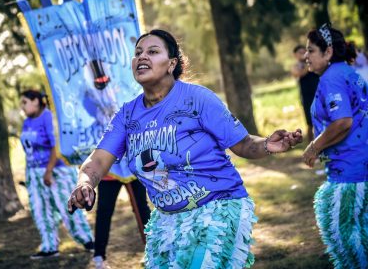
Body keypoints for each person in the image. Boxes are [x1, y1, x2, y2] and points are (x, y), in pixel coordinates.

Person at [67, 29, 303, 268]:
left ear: (172, 64)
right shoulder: (127, 115)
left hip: (217, 208)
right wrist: (85, 183)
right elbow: (97, 161)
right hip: (166, 222)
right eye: (138, 53)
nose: (142, 57)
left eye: (152, 51)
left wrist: (266, 144)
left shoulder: (197, 99)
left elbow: (243, 145)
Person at [301, 23, 368, 269]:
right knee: (361, 232)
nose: (306, 56)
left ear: (328, 52)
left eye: (311, 51)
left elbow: (342, 122)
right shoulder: (348, 72)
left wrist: (313, 147)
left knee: (343, 236)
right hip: (361, 168)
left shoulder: (332, 78)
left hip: (349, 172)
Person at [19, 89, 94, 259]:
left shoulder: (49, 117)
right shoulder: (27, 122)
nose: (22, 107)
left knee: (67, 206)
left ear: (36, 101)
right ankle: (49, 246)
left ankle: (88, 240)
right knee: (40, 210)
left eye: (24, 102)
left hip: (56, 171)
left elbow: (57, 146)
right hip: (34, 172)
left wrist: (48, 171)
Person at [93, 175, 151, 269]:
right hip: (109, 172)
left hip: (132, 171)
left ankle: (153, 250)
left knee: (142, 209)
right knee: (104, 213)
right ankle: (99, 256)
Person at [291, 44, 319, 142]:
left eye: (305, 52)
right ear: (295, 55)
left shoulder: (315, 63)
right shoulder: (296, 66)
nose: (303, 54)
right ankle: (310, 145)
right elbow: (299, 73)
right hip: (307, 98)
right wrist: (309, 64)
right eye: (301, 53)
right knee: (310, 123)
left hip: (319, 95)